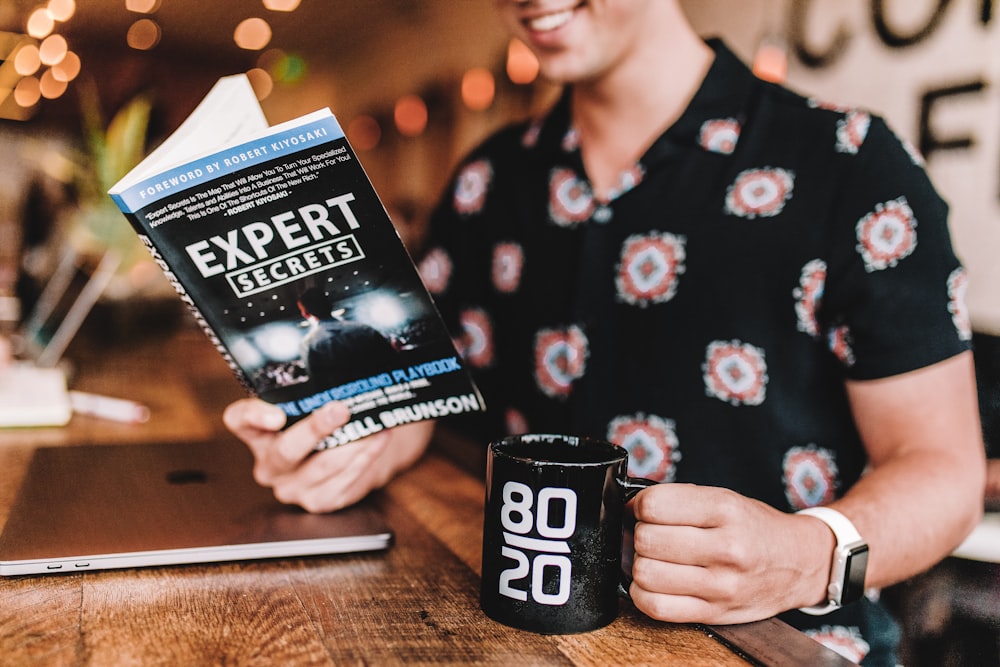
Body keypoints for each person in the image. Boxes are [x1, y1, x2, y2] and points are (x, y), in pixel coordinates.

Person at [224, 1, 986, 663]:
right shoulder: (487, 181)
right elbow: (434, 395)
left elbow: (944, 469)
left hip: (784, 645)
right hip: (527, 640)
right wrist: (353, 445)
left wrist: (808, 553)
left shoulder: (849, 164)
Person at [295, 286, 400, 389]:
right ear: (330, 304)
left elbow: (318, 383)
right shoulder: (364, 329)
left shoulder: (309, 344)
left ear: (305, 314)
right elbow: (393, 361)